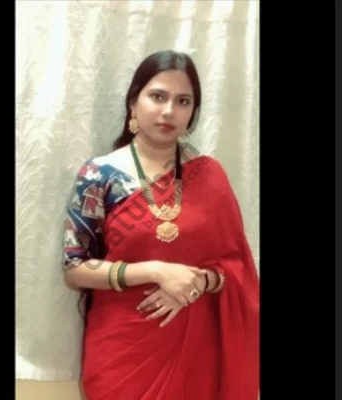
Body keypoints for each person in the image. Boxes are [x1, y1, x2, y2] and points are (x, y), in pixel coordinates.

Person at [62, 50, 259, 400]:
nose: (169, 111)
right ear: (133, 104)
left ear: (193, 112)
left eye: (183, 101)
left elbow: (237, 266)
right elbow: (75, 269)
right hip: (122, 349)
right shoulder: (99, 175)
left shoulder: (209, 175)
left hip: (197, 348)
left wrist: (198, 282)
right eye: (157, 96)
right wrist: (155, 271)